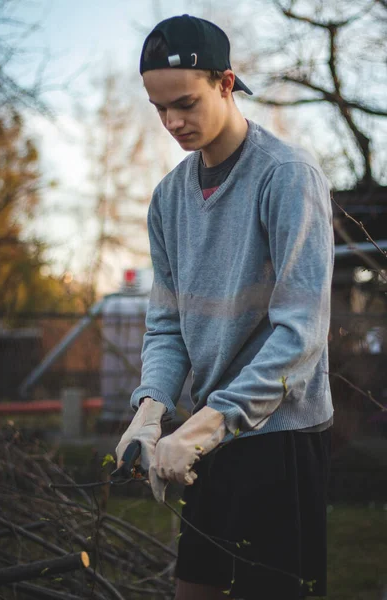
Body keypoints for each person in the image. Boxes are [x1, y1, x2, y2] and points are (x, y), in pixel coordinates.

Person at [116, 14, 334, 600]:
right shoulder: (168, 199)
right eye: (160, 109)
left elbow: (301, 336)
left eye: (185, 103)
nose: (172, 123)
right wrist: (151, 407)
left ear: (226, 83)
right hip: (203, 438)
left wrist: (212, 422)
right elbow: (166, 325)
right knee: (194, 590)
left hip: (278, 435)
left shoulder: (287, 177)